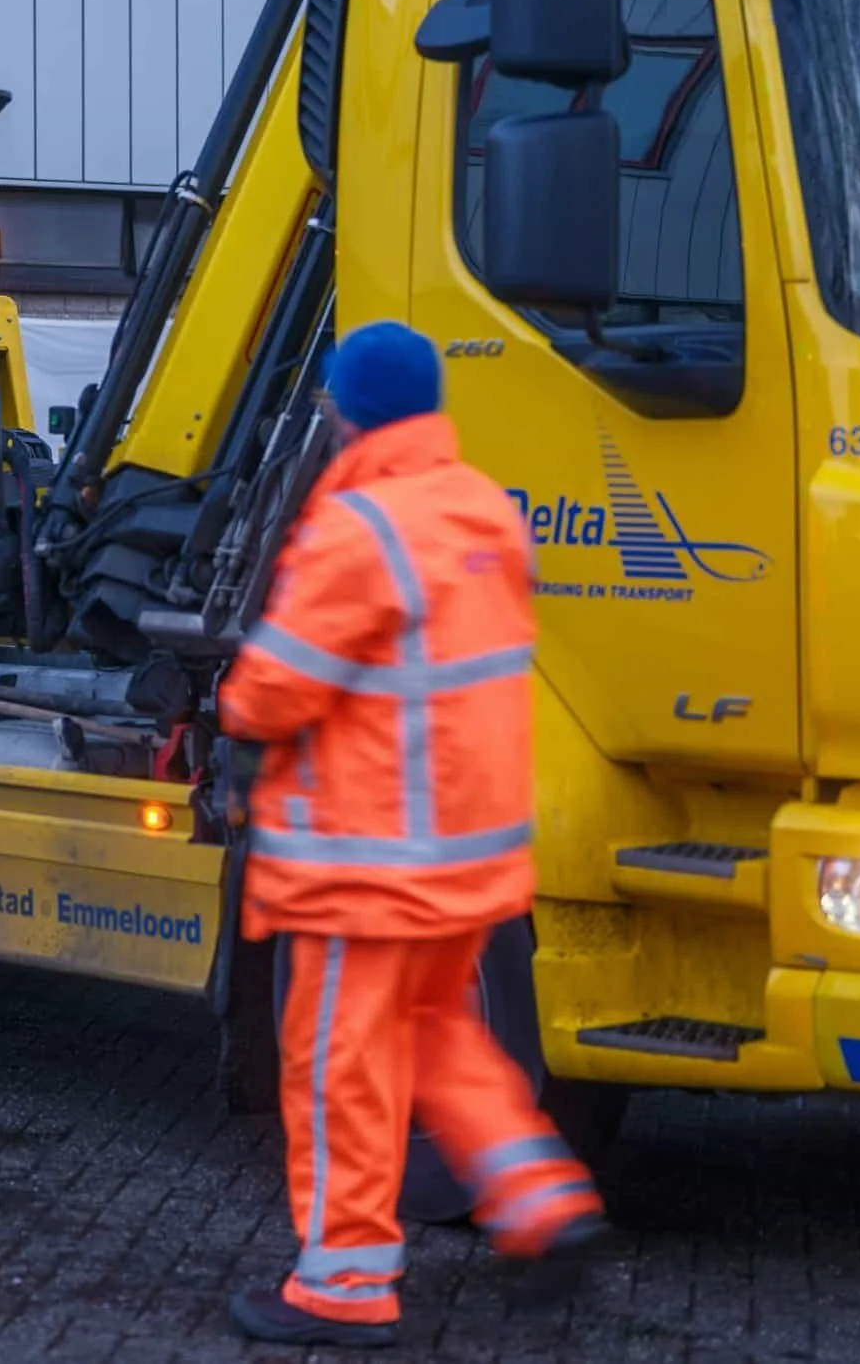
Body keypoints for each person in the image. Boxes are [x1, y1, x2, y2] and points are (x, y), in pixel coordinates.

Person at [217, 319, 606, 1349]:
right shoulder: (483, 511)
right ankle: (541, 1202)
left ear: (346, 405)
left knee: (339, 1069)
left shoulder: (360, 525)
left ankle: (341, 1287)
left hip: (366, 862)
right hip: (466, 855)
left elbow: (279, 683)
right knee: (441, 1037)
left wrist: (239, 708)